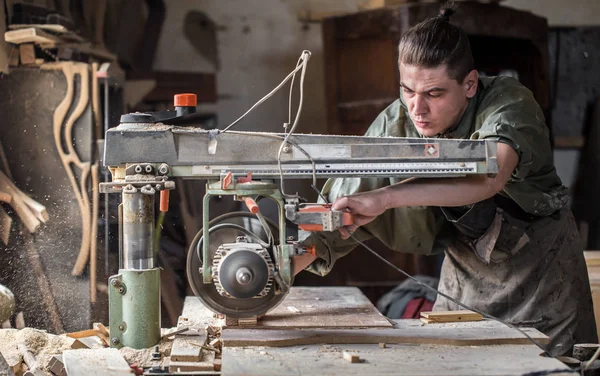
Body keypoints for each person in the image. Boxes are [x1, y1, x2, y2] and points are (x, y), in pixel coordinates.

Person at [294, 4, 598, 356]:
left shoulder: (510, 104)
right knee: (453, 362)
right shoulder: (398, 121)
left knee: (550, 367)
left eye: (434, 93)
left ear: (469, 84)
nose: (416, 109)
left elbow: (489, 177)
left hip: (542, 277)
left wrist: (386, 198)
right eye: (407, 90)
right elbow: (344, 202)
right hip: (465, 271)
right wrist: (275, 273)